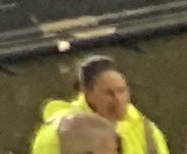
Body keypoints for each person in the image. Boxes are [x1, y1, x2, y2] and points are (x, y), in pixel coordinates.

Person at [32, 58, 167, 154]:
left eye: (122, 91)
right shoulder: (59, 133)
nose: (118, 100)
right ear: (86, 93)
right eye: (109, 94)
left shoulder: (144, 127)